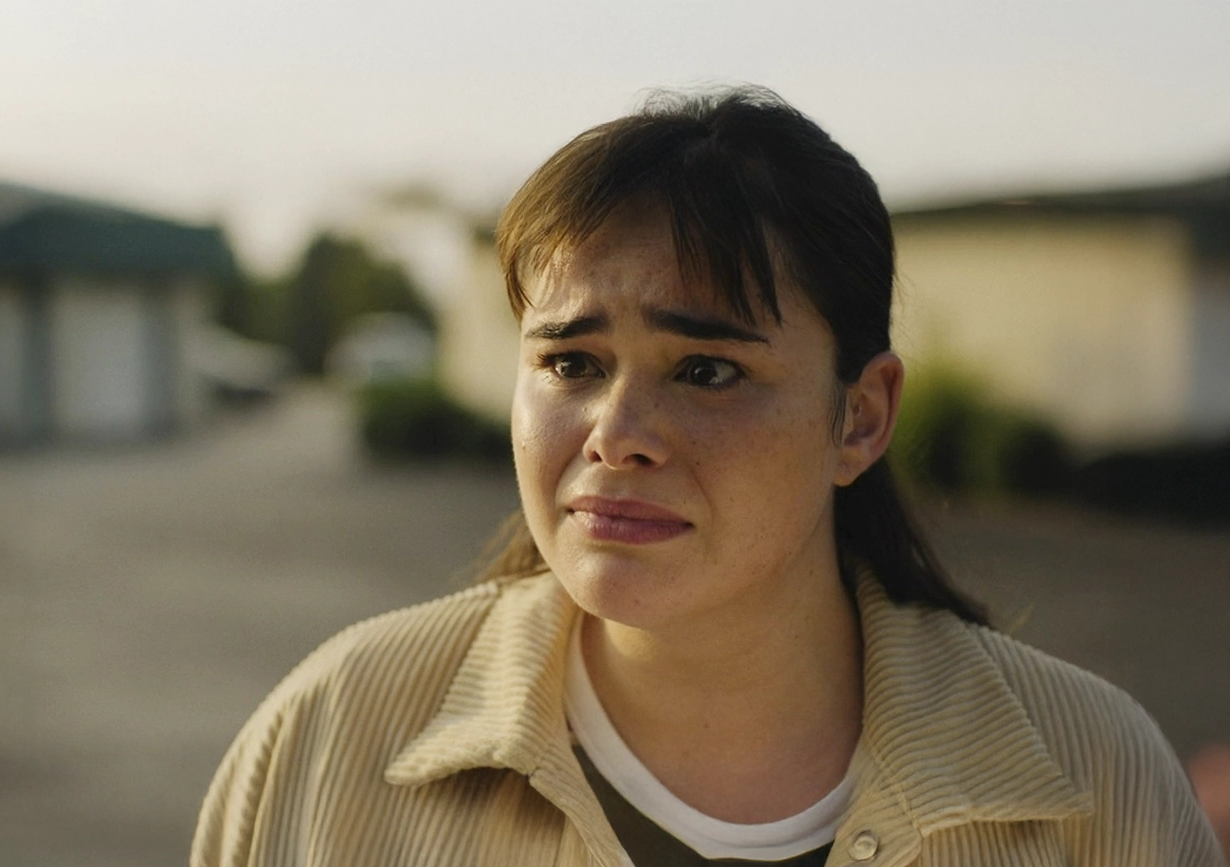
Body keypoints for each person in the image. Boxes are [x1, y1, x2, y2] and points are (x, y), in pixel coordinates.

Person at [191, 86, 1224, 867]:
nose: (616, 435)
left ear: (860, 418)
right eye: (571, 364)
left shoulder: (1097, 785)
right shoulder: (330, 739)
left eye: (706, 371)